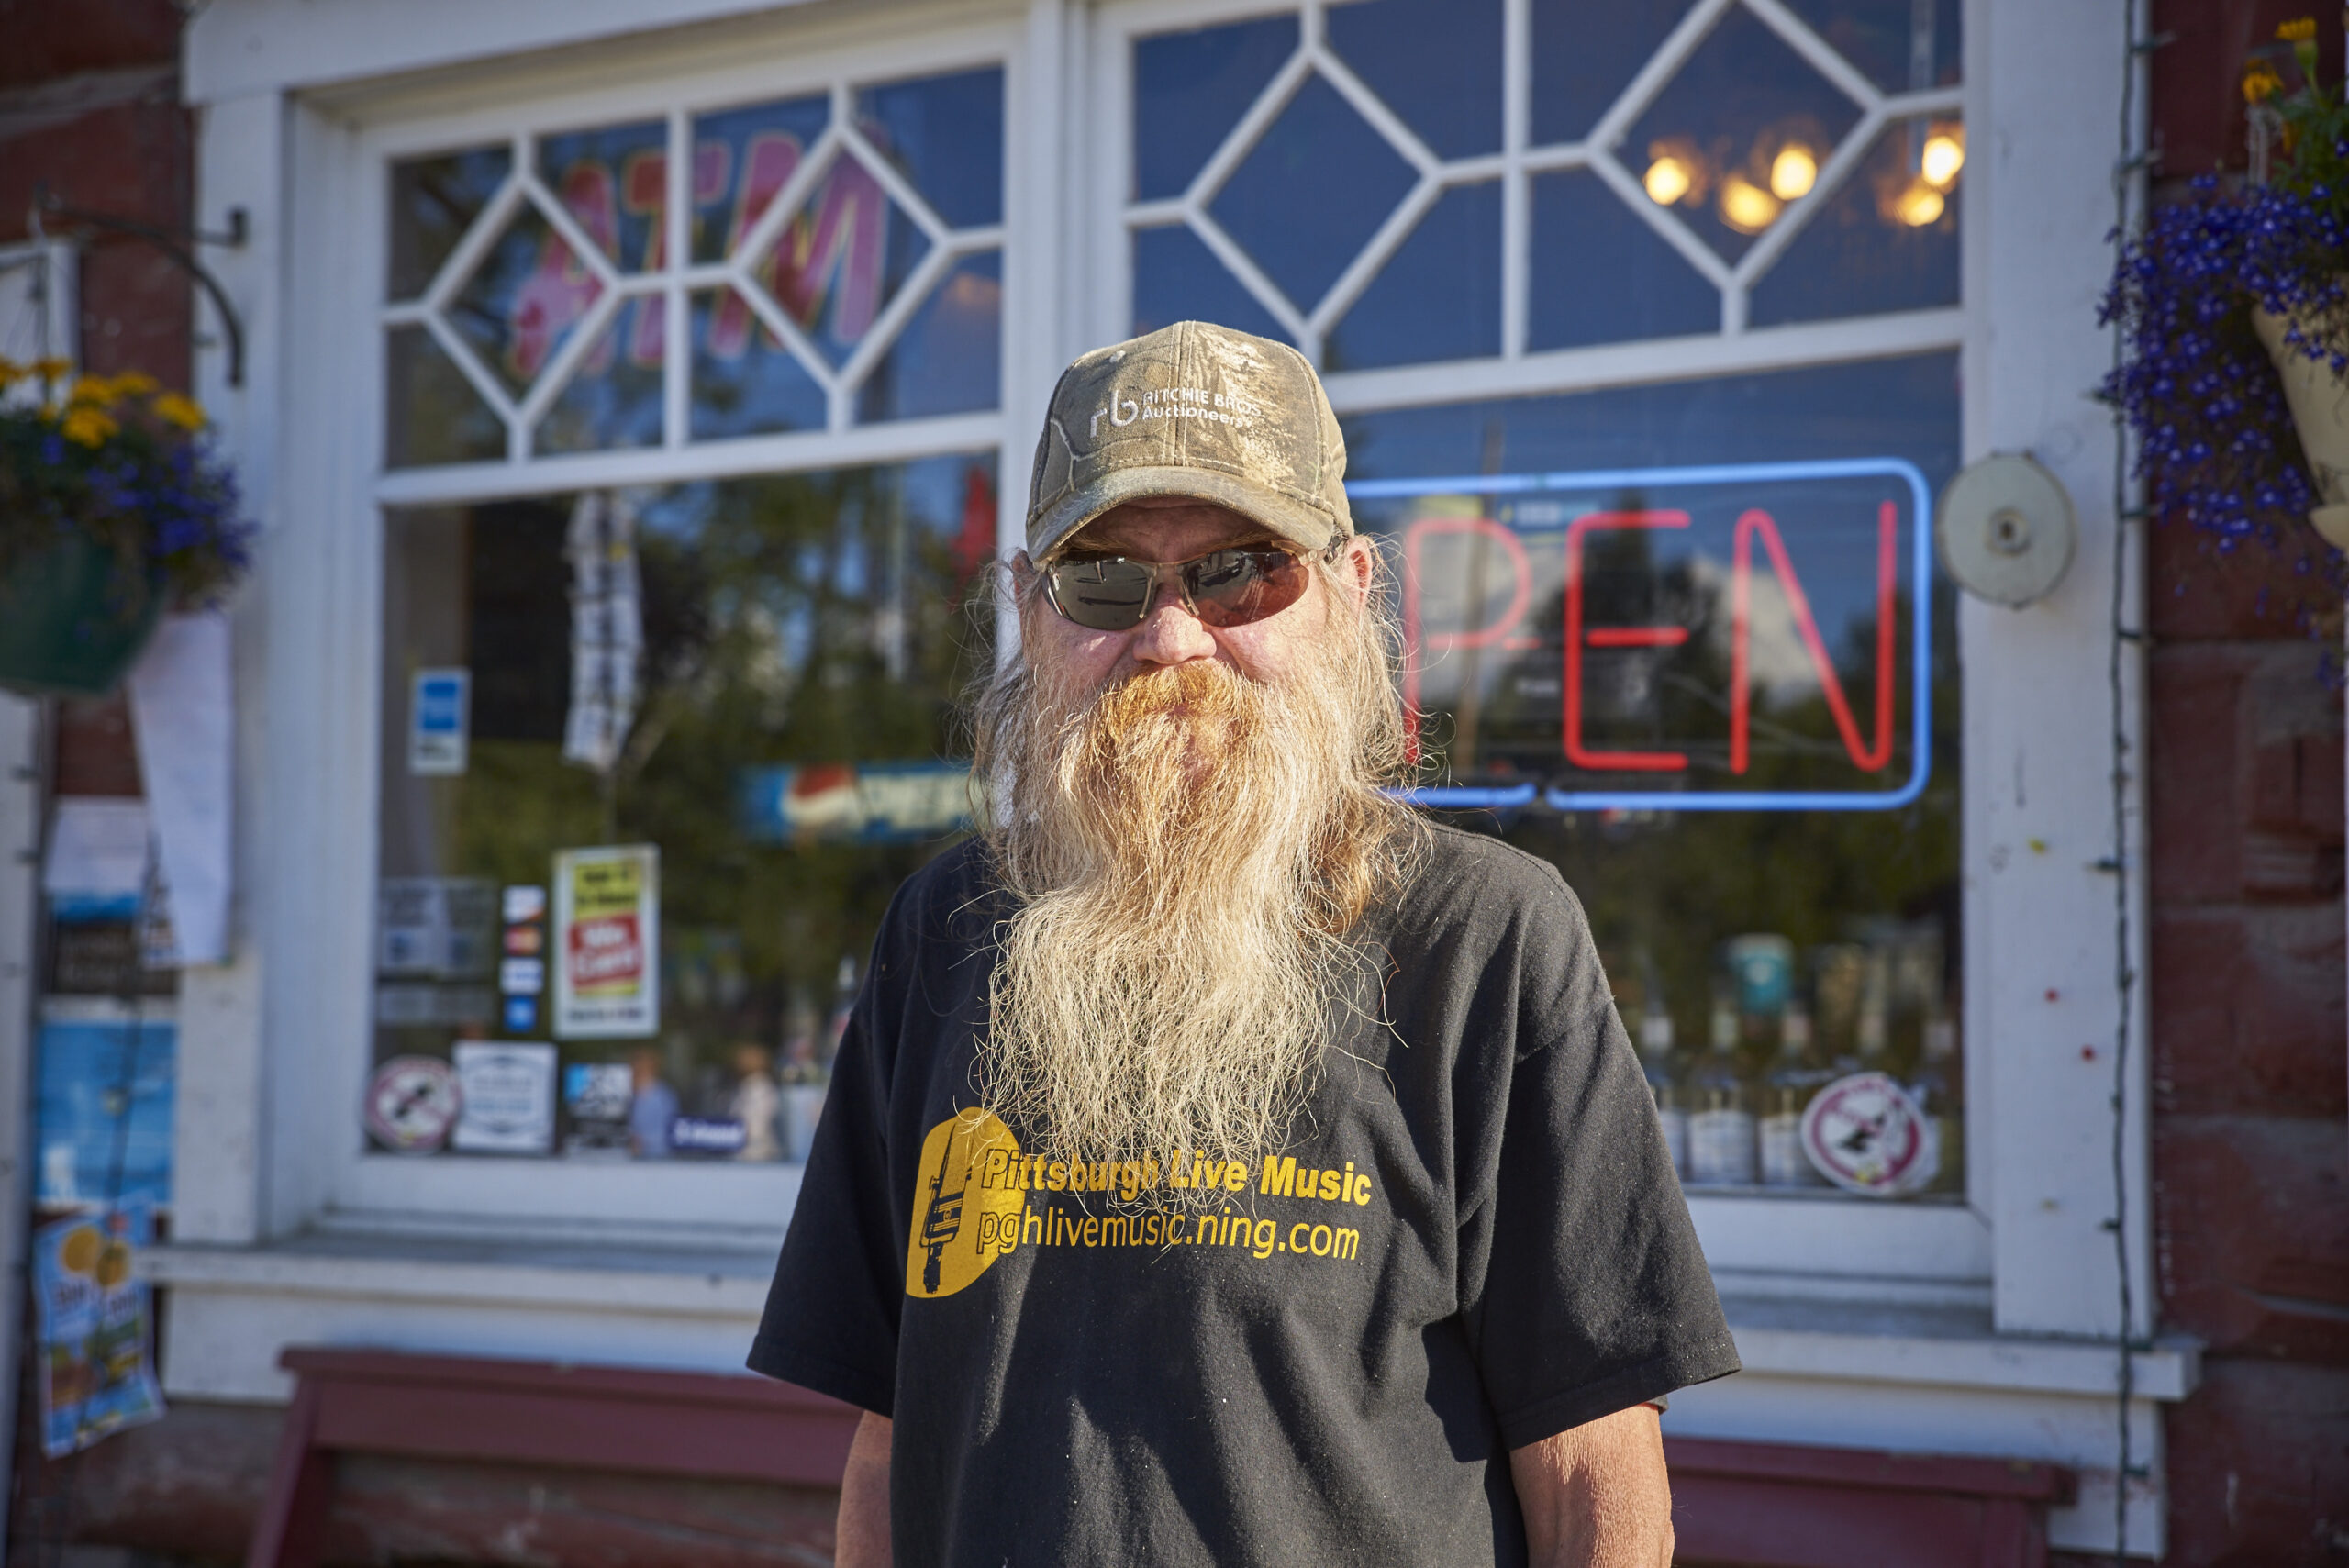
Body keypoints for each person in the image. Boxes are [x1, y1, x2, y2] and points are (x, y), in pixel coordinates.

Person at [750, 321, 1738, 1567]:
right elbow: (891, 1440)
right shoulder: (941, 934)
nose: (1171, 639)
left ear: (1352, 592)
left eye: (1240, 573)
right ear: (1026, 607)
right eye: (1103, 580)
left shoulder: (1486, 935)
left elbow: (1593, 1464)